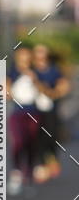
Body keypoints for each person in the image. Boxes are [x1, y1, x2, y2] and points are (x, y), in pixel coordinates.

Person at [31, 44, 70, 182]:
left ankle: (51, 161)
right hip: (32, 110)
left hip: (51, 110)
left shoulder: (54, 70)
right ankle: (41, 165)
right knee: (37, 137)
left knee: (51, 135)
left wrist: (51, 92)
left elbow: (63, 87)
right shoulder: (30, 71)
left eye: (43, 53)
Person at [6, 45, 40, 195]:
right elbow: (6, 92)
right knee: (18, 142)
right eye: (22, 55)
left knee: (31, 144)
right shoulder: (12, 72)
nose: (25, 58)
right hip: (17, 113)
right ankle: (17, 173)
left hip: (34, 112)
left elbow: (45, 91)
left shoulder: (36, 73)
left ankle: (30, 176)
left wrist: (35, 80)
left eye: (27, 55)